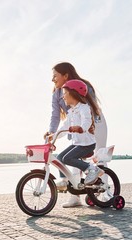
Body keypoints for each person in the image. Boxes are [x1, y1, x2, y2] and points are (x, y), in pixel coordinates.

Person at [46, 62, 108, 207]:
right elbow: (56, 116)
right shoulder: (57, 93)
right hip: (75, 126)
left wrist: (84, 127)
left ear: (65, 75)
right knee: (70, 159)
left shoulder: (83, 86)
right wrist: (52, 133)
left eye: (55, 76)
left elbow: (90, 109)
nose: (52, 79)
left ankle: (105, 193)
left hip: (94, 123)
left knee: (100, 156)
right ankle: (75, 196)